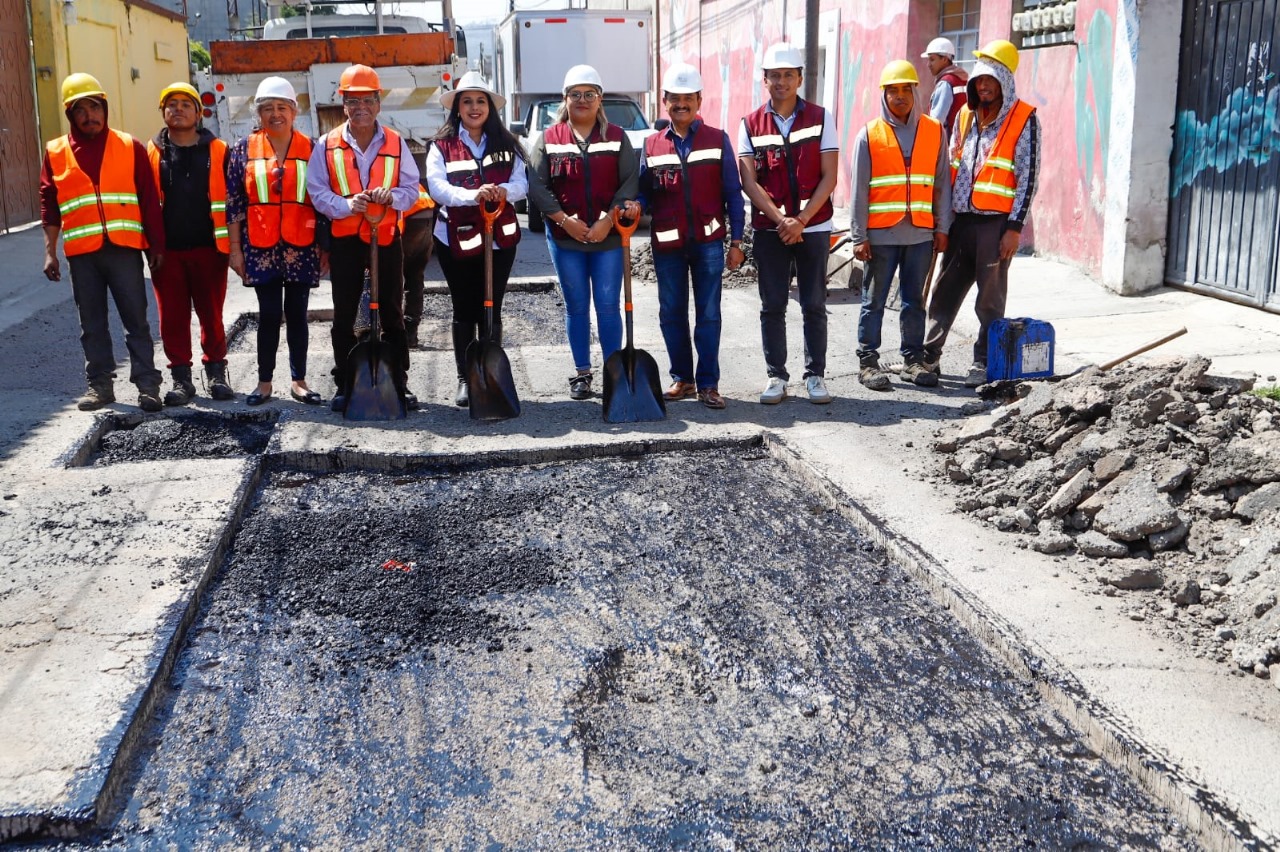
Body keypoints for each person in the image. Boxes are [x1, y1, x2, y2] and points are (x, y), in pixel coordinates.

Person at [40, 73, 165, 412]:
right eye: (80, 110)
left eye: (94, 107)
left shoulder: (129, 146)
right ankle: (100, 387)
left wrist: (156, 246)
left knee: (136, 320)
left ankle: (148, 385)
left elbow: (149, 199)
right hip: (82, 255)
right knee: (91, 324)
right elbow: (49, 206)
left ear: (104, 108)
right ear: (70, 114)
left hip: (124, 249)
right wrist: (50, 252)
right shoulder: (55, 153)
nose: (88, 116)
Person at [923, 39, 1041, 388]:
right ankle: (929, 356)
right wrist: (943, 219)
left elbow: (1028, 177)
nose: (984, 86)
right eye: (979, 81)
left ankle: (983, 360)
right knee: (945, 290)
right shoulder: (963, 117)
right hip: (961, 221)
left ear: (1005, 81)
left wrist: (1015, 228)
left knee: (989, 298)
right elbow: (951, 166)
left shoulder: (1024, 119)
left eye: (991, 80)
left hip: (995, 224)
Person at [307, 64, 422, 413]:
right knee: (344, 314)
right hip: (345, 240)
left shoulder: (396, 142)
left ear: (378, 103)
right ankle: (345, 382)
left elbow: (411, 189)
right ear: (343, 104)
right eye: (352, 101)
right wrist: (346, 205)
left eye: (367, 101)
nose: (360, 108)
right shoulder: (326, 145)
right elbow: (316, 191)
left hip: (385, 237)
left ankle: (398, 382)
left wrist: (393, 198)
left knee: (391, 312)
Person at [527, 64, 642, 401]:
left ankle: (612, 371)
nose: (582, 100)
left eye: (589, 94)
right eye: (575, 94)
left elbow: (629, 183)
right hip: (566, 240)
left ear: (599, 99)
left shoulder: (617, 137)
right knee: (576, 307)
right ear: (565, 99)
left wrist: (607, 221)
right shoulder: (548, 139)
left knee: (608, 306)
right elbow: (536, 185)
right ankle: (581, 373)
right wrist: (565, 221)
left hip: (608, 239)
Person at [637, 62, 745, 410]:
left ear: (699, 100)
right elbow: (643, 193)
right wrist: (632, 207)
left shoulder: (717, 139)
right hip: (668, 243)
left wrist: (738, 242)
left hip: (709, 242)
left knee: (709, 313)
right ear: (664, 101)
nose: (681, 104)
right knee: (671, 312)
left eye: (688, 98)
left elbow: (733, 192)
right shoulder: (652, 145)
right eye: (674, 99)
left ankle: (709, 384)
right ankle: (683, 378)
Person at [738, 43, 840, 405]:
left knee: (813, 303)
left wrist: (803, 220)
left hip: (813, 227)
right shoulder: (749, 123)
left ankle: (815, 376)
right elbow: (749, 182)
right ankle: (776, 377)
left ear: (799, 78)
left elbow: (830, 177)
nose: (781, 82)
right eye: (774, 76)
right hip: (771, 229)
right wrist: (783, 220)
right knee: (772, 305)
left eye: (788, 75)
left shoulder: (821, 117)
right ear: (765, 80)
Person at [425, 71, 528, 408]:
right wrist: (474, 195)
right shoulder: (441, 146)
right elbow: (437, 187)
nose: (473, 107)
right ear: (456, 107)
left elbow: (521, 184)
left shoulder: (508, 144)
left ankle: (490, 374)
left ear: (489, 107)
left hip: (498, 238)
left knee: (492, 304)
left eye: (480, 101)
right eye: (466, 101)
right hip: (454, 236)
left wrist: (503, 190)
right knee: (464, 307)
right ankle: (465, 378)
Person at [850, 60, 952, 390]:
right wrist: (858, 236)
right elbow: (859, 189)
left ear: (915, 92)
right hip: (880, 236)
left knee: (914, 302)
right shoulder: (869, 135)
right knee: (874, 301)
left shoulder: (935, 131)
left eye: (905, 90)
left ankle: (912, 360)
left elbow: (941, 185)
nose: (899, 97)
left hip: (920, 234)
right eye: (892, 91)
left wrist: (942, 228)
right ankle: (868, 362)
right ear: (884, 95)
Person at [224, 76, 325, 407]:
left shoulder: (313, 149)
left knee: (297, 313)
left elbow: (325, 201)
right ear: (258, 114)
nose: (275, 114)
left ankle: (299, 381)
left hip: (302, 245)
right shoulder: (242, 149)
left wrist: (326, 248)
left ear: (294, 111)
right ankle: (264, 382)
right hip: (260, 246)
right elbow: (235, 204)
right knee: (268, 314)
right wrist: (235, 250)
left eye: (282, 107)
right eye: (267, 108)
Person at [146, 82, 235, 405]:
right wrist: (152, 246)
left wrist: (235, 248)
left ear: (198, 113)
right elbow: (146, 204)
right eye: (172, 104)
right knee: (172, 317)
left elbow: (234, 200)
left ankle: (216, 374)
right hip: (167, 253)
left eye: (186, 104)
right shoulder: (152, 152)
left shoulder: (219, 151)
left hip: (209, 249)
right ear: (163, 112)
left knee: (211, 315)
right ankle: (181, 379)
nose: (178, 109)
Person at [401, 183, 435, 349]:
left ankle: (390, 332)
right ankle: (410, 334)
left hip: (408, 215)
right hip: (424, 214)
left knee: (389, 274)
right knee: (414, 276)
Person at [922, 37, 969, 137]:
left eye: (932, 60)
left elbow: (936, 121)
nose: (928, 64)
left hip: (948, 143)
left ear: (944, 59)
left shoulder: (945, 83)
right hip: (963, 140)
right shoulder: (962, 79)